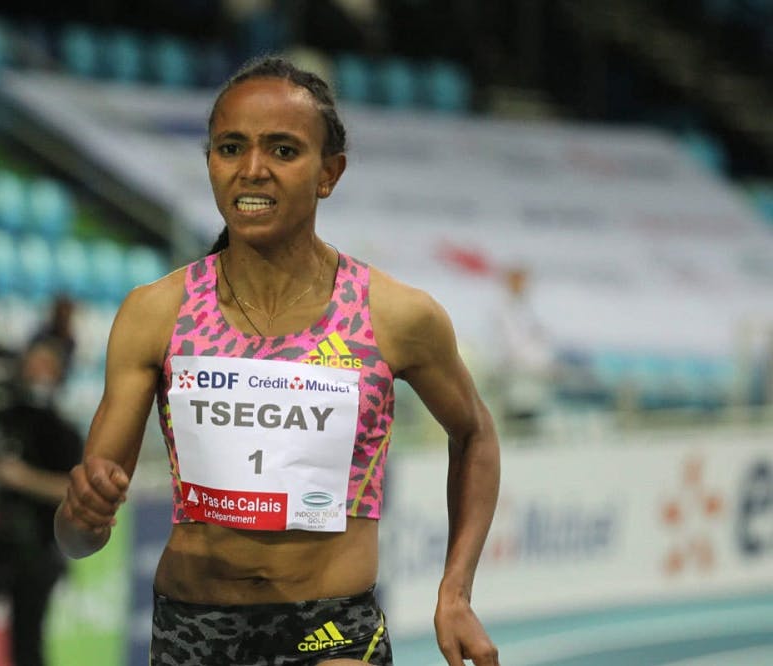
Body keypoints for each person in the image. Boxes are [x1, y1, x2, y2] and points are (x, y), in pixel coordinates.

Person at [55, 56, 501, 666]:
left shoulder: (394, 315)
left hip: (331, 628)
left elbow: (475, 434)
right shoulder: (156, 313)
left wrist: (456, 592)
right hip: (192, 630)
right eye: (230, 148)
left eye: (283, 150)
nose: (252, 169)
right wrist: (80, 515)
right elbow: (79, 537)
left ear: (329, 173)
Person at [0, 340, 83, 666]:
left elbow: (72, 489)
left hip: (41, 546)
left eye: (47, 365)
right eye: (33, 364)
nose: (39, 373)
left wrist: (24, 478)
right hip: (6, 541)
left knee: (28, 641)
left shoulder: (63, 430)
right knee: (17, 641)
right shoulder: (9, 418)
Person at [491, 265, 555, 436]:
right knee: (517, 422)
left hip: (534, 375)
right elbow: (511, 346)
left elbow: (542, 339)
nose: (523, 285)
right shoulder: (502, 310)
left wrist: (544, 365)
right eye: (518, 281)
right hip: (515, 375)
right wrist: (534, 363)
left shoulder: (529, 308)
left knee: (532, 420)